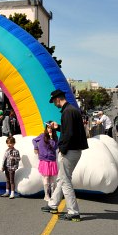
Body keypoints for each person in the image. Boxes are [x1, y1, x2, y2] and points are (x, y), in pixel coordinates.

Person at [41, 89, 88, 222]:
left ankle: (73, 212)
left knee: (65, 181)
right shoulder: (72, 110)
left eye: (53, 101)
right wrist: (58, 127)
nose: (54, 104)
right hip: (75, 150)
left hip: (69, 150)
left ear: (57, 99)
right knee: (62, 179)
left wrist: (62, 149)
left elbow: (68, 135)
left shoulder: (67, 112)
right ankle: (53, 204)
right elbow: (69, 130)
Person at [32, 122, 59, 201]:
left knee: (52, 180)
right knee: (46, 178)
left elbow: (54, 147)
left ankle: (53, 195)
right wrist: (36, 147)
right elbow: (34, 140)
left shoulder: (55, 137)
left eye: (51, 128)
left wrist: (51, 139)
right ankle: (46, 196)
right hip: (44, 160)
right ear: (46, 128)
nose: (49, 129)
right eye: (48, 128)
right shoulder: (42, 135)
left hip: (52, 160)